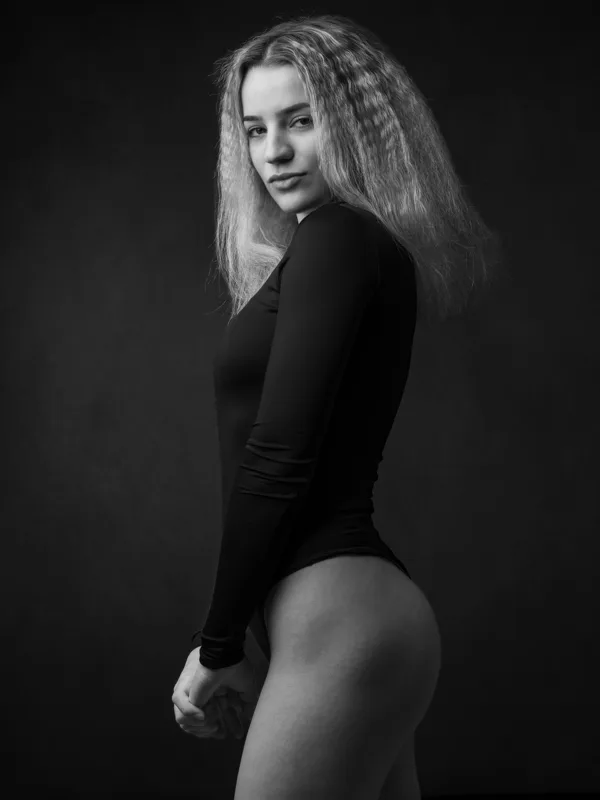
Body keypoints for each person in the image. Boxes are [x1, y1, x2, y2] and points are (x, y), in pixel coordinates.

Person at [172, 13, 502, 799]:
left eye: (300, 121)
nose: (274, 152)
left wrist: (218, 643)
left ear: (353, 125)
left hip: (341, 623)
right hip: (351, 623)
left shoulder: (339, 237)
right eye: (255, 129)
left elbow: (279, 456)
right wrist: (242, 637)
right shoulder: (344, 246)